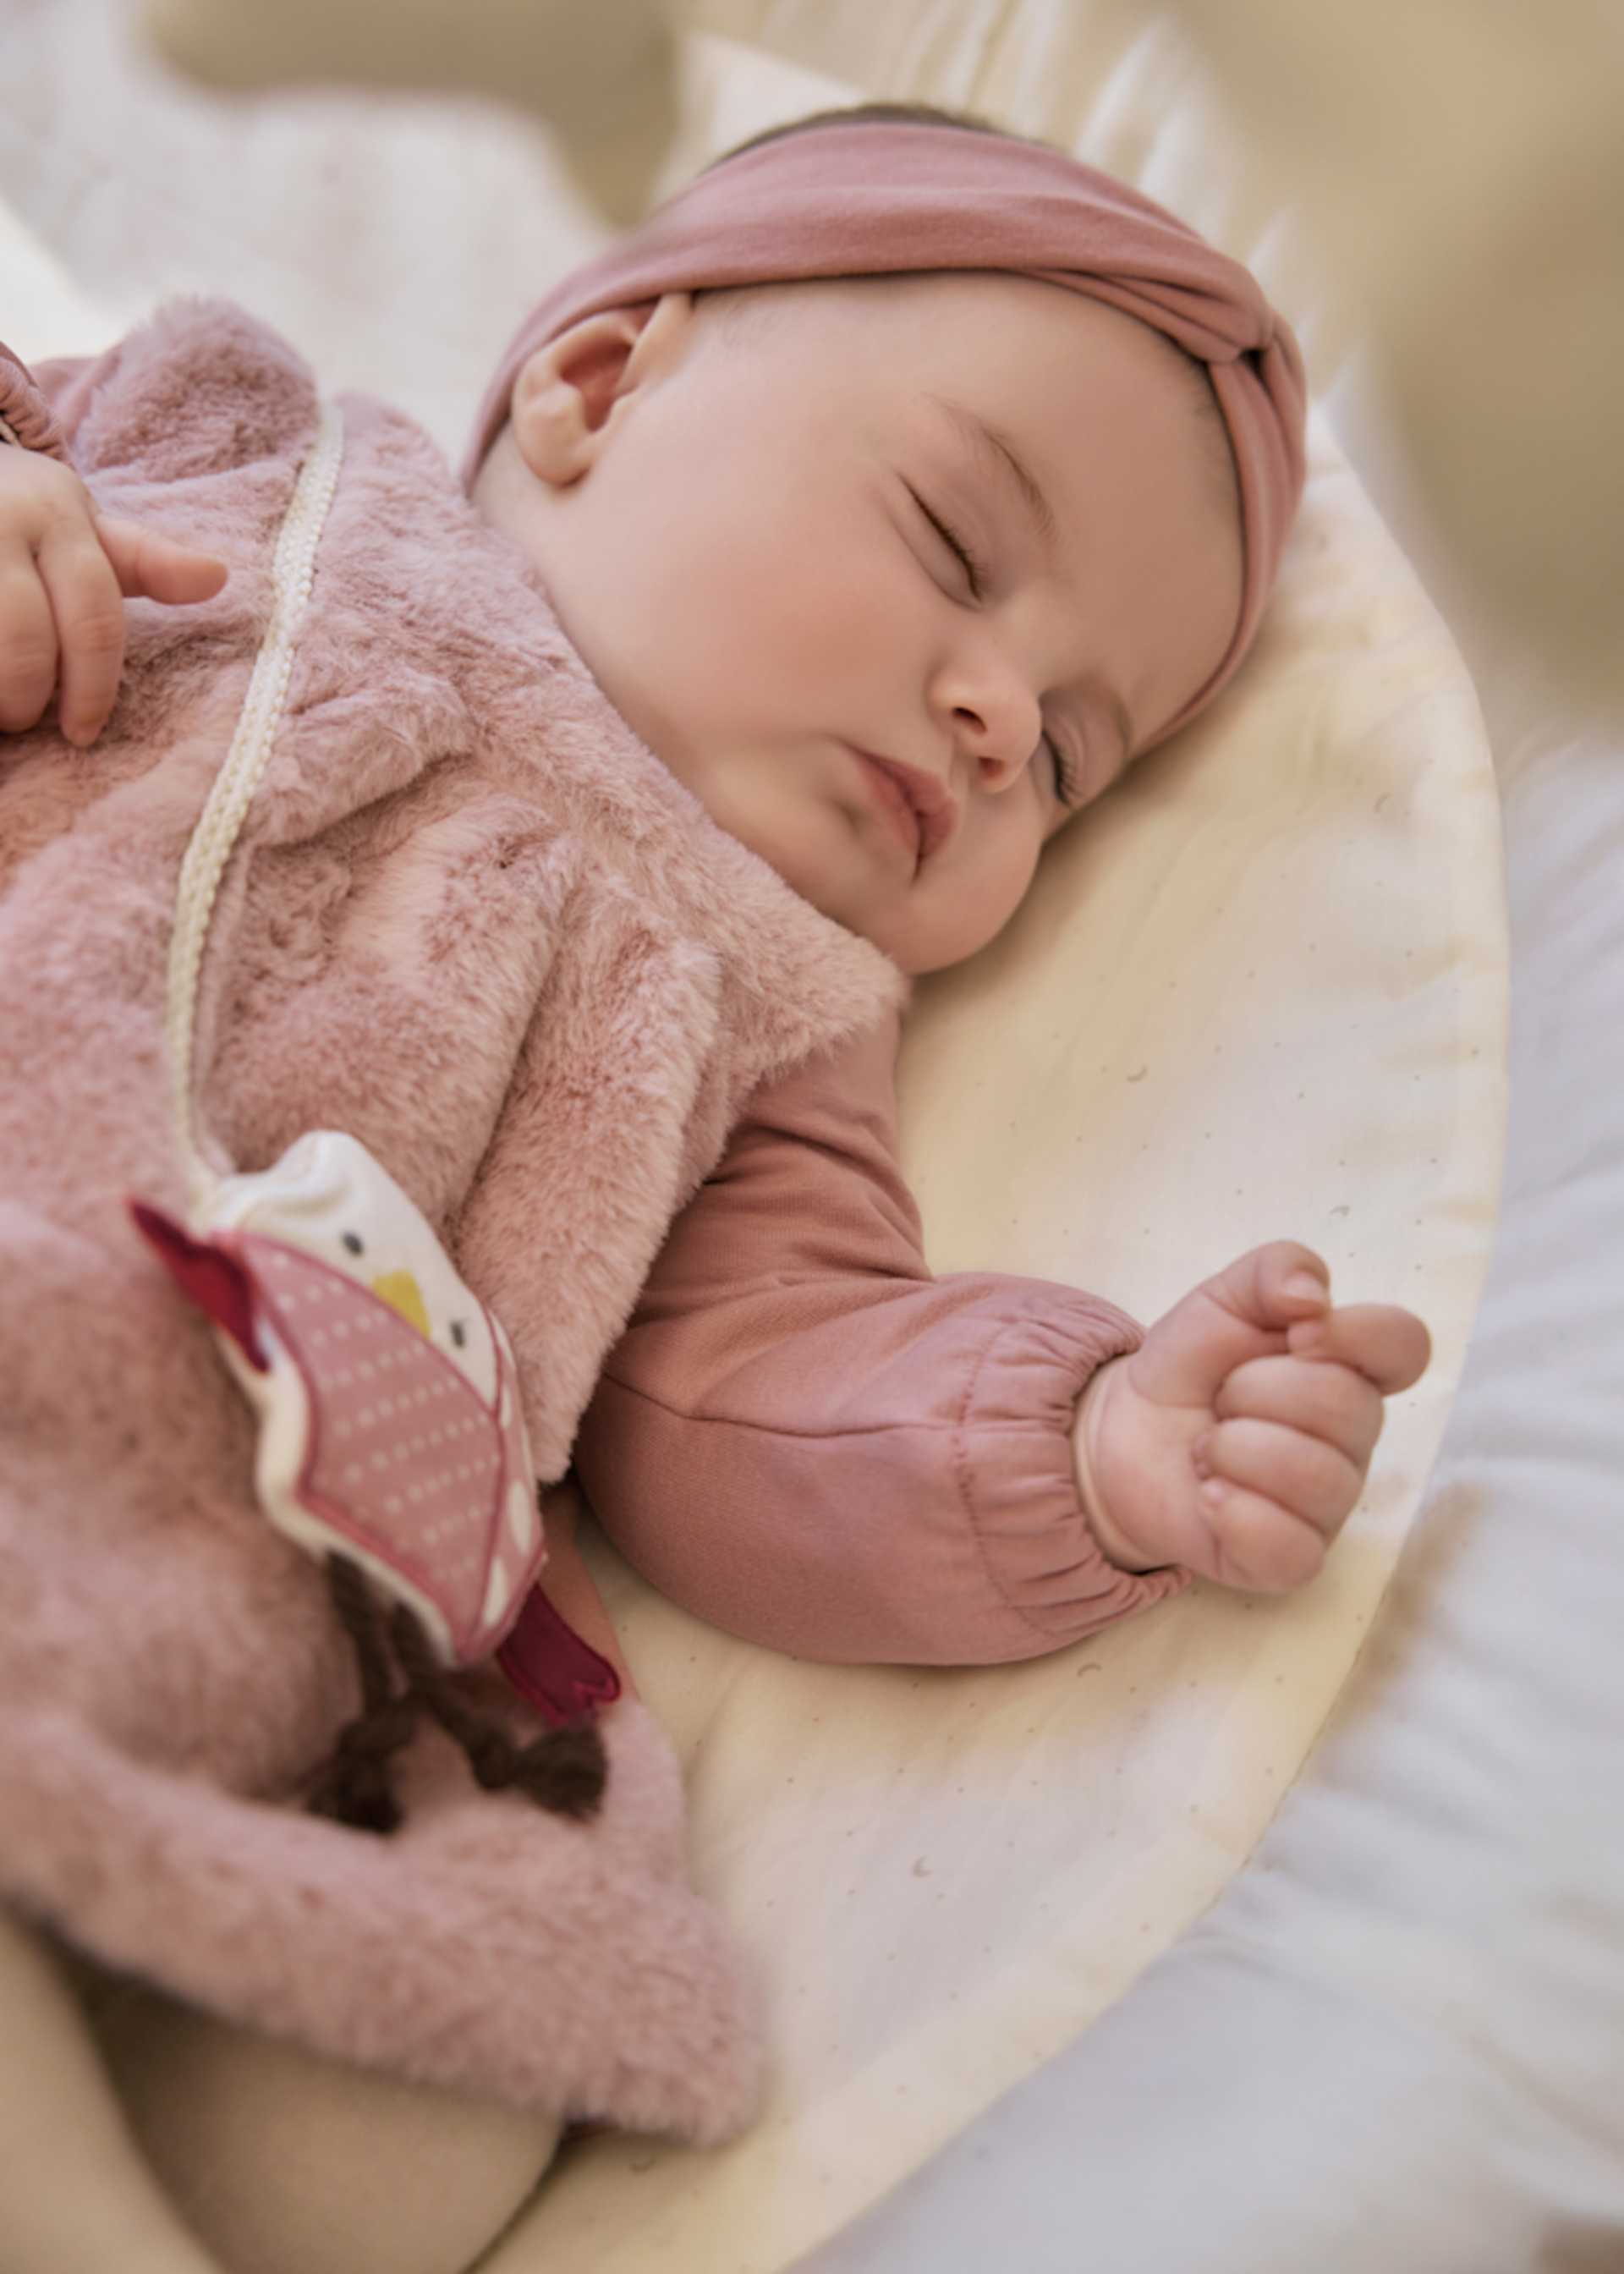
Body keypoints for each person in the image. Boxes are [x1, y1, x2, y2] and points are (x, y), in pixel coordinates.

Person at [0, 102, 1428, 2274]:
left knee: (422, 2121)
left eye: (1066, 752)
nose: (987, 712)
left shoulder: (774, 1022)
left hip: (254, 1623)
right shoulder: (251, 456)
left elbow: (763, 1398)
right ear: (598, 385)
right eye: (958, 543)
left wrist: (1089, 1444)